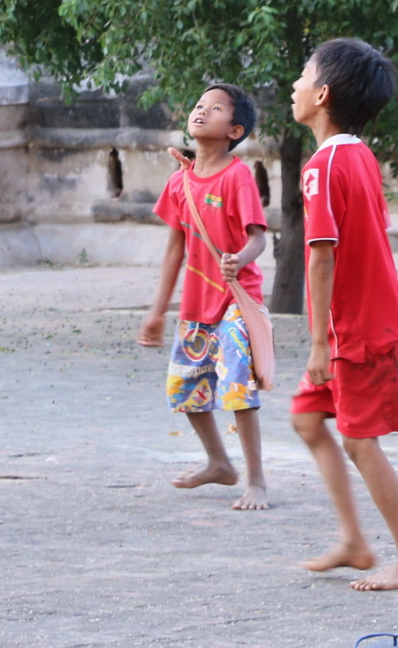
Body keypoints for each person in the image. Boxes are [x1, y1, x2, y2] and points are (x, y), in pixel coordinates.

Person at [287, 37, 398, 592]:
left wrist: (321, 343)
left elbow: (322, 255)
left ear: (322, 94)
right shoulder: (360, 155)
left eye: (303, 75)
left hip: (356, 330)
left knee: (358, 441)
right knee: (307, 418)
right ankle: (353, 541)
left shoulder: (322, 167)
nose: (294, 85)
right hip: (361, 324)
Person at [137, 82, 271, 510]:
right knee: (186, 388)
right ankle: (219, 462)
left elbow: (258, 238)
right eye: (198, 105)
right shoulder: (180, 182)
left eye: (214, 109)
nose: (200, 111)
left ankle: (257, 481)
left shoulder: (238, 177)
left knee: (237, 389)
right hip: (196, 305)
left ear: (234, 131)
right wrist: (158, 311)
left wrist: (240, 257)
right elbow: (174, 250)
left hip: (235, 300)